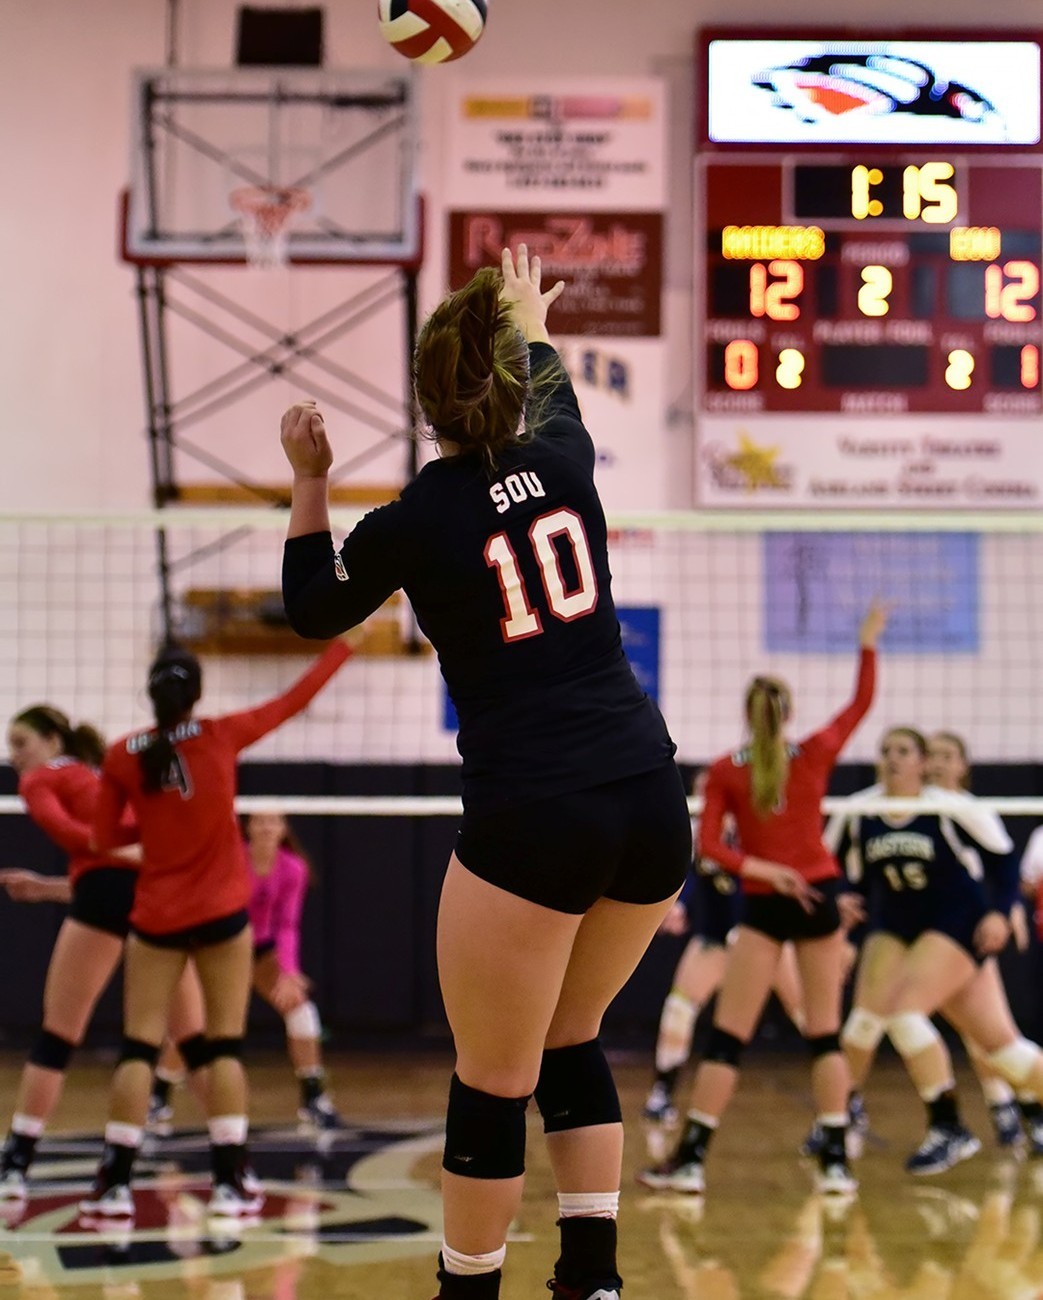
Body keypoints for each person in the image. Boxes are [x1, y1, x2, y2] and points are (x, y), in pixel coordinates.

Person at [280, 245, 692, 1300]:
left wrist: (311, 482)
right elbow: (553, 393)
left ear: (424, 405)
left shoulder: (414, 520)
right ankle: (591, 1281)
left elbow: (312, 609)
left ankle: (466, 1291)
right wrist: (530, 318)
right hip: (648, 791)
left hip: (536, 805)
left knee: (491, 1078)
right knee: (571, 1035)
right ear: (512, 383)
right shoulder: (560, 459)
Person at [79, 636, 352, 1219]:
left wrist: (155, 833)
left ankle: (115, 1185)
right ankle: (231, 1183)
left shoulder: (122, 754)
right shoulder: (221, 734)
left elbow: (102, 841)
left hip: (157, 914)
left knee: (139, 1047)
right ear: (196, 693)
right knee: (223, 1047)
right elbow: (293, 700)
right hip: (222, 915)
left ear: (149, 695)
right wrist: (343, 647)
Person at [638, 601, 887, 1198]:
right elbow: (860, 706)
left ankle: (692, 1161)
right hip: (820, 897)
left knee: (727, 1039)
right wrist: (868, 644)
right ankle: (834, 1163)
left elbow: (710, 851)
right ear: (788, 712)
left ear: (747, 716)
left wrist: (765, 869)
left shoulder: (727, 769)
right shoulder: (816, 752)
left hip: (767, 903)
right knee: (824, 1034)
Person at [0, 705, 207, 1201]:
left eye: (21, 743)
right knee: (197, 1044)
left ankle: (16, 1164)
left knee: (58, 1036)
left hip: (115, 887)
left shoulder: (39, 780)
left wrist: (118, 854)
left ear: (52, 741)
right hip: (155, 894)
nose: (14, 757)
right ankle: (231, 1166)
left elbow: (83, 844)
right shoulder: (102, 773)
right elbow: (112, 872)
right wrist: (51, 887)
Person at [832, 726, 1043, 1175]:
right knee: (1005, 1051)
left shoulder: (949, 807)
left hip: (955, 925)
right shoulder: (861, 809)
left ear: (922, 761)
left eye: (903, 751)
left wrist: (1001, 913)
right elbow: (833, 867)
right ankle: (836, 1117)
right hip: (896, 927)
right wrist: (839, 898)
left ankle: (948, 1127)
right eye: (885, 750)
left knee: (906, 1016)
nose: (892, 758)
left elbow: (1003, 863)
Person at [147, 810, 346, 1133]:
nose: (267, 828)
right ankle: (159, 1096)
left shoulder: (293, 868)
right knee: (192, 1025)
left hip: (262, 951)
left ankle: (313, 1099)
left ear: (283, 828)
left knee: (301, 1010)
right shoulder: (232, 860)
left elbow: (287, 925)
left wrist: (290, 971)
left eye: (274, 821)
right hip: (221, 946)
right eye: (260, 821)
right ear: (248, 828)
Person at [642, 771, 808, 1128]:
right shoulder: (693, 830)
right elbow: (683, 875)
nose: (707, 800)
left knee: (808, 1016)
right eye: (700, 794)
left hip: (766, 937)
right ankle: (662, 1094)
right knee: (678, 1008)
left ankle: (848, 1102)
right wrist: (677, 906)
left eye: (713, 793)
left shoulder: (755, 827)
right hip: (715, 940)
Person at [926, 729, 1043, 1152]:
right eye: (932, 755)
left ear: (963, 766)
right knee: (978, 1034)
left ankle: (1016, 1107)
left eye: (947, 756)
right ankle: (1013, 1107)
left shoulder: (971, 810)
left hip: (968, 930)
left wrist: (1005, 911)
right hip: (923, 935)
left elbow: (1001, 871)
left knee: (990, 1035)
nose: (937, 763)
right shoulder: (909, 808)